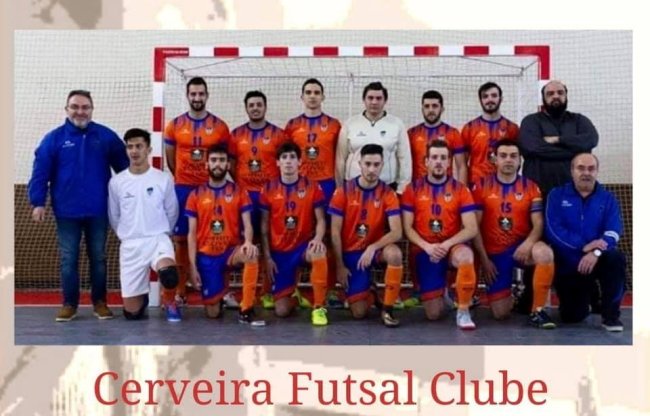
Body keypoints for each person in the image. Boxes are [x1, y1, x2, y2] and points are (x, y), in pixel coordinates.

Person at [28, 89, 129, 322]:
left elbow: (125, 171)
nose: (80, 111)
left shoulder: (105, 137)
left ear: (92, 110)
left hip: (98, 210)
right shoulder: (53, 139)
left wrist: (132, 199)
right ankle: (69, 305)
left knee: (99, 258)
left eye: (85, 107)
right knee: (68, 259)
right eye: (75, 107)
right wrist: (38, 202)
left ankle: (100, 303)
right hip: (66, 212)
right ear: (66, 109)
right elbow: (40, 171)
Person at [163, 77, 235, 308]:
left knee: (219, 236)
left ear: (207, 95)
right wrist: (184, 178)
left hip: (212, 190)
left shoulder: (220, 126)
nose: (197, 98)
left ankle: (223, 290)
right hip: (183, 189)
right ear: (187, 95)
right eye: (193, 94)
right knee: (181, 240)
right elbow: (171, 160)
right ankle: (180, 291)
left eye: (201, 93)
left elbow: (224, 159)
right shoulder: (174, 125)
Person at [471, 140, 556, 328]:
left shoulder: (531, 187)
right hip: (495, 254)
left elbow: (538, 223)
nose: (508, 160)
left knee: (544, 253)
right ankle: (514, 296)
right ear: (495, 159)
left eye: (513, 156)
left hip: (522, 248)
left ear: (519, 160)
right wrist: (484, 260)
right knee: (500, 314)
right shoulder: (481, 186)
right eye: (503, 156)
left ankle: (538, 311)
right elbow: (474, 227)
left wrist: (528, 243)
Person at [401, 140, 479, 330]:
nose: (438, 161)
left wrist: (446, 244)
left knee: (466, 255)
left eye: (443, 158)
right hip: (426, 249)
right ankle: (442, 293)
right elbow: (407, 228)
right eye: (434, 157)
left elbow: (471, 228)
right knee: (433, 314)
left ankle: (463, 311)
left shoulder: (461, 190)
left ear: (449, 162)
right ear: (426, 161)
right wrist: (427, 246)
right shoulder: (412, 189)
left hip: (451, 247)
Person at [545, 153, 626, 332]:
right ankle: (590, 297)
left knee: (616, 258)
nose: (586, 173)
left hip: (598, 258)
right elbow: (553, 230)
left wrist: (595, 252)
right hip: (569, 263)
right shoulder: (556, 195)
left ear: (597, 171)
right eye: (581, 168)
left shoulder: (608, 198)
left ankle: (611, 317)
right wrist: (583, 246)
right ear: (572, 171)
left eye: (591, 169)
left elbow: (613, 231)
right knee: (572, 317)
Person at [185, 144, 264, 324]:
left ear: (228, 165)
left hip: (230, 252)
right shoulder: (195, 195)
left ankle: (246, 308)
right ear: (207, 164)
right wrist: (192, 265)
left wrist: (248, 242)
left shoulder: (239, 191)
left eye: (222, 160)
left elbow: (248, 224)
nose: (217, 164)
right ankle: (220, 294)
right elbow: (191, 233)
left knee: (251, 254)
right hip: (207, 257)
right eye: (213, 160)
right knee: (213, 314)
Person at [108, 129, 180, 321]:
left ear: (148, 149)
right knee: (132, 314)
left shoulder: (162, 179)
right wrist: (128, 234)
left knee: (169, 275)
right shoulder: (117, 182)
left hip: (157, 240)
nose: (134, 151)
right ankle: (142, 298)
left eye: (139, 146)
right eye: (130, 147)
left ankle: (170, 302)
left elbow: (172, 211)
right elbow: (114, 216)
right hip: (131, 245)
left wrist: (164, 233)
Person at [329, 144, 404, 327]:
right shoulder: (343, 191)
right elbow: (335, 231)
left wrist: (373, 247)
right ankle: (370, 291)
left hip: (375, 251)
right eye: (367, 164)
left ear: (382, 165)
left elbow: (397, 231)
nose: (371, 169)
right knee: (359, 313)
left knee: (395, 254)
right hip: (351, 254)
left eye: (376, 165)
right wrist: (340, 265)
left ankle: (388, 308)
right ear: (359, 163)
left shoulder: (388, 193)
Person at [284, 78, 343, 309]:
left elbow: (341, 156)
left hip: (327, 186)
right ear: (302, 97)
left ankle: (330, 289)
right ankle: (293, 288)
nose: (312, 96)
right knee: (296, 234)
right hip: (299, 189)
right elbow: (286, 157)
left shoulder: (334, 125)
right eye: (308, 92)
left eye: (316, 92)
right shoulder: (292, 125)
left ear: (323, 96)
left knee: (328, 236)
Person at [229, 90, 288, 310]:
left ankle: (268, 290)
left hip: (271, 197)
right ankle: (247, 293)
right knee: (245, 242)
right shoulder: (236, 135)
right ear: (246, 108)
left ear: (265, 107)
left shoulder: (278, 135)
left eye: (259, 104)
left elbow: (285, 162)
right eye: (251, 105)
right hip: (245, 197)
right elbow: (232, 165)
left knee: (269, 241)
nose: (255, 108)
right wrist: (242, 184)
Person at [259, 142, 329, 325]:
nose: (288, 161)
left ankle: (319, 307)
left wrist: (318, 238)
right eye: (284, 157)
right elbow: (264, 227)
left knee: (319, 251)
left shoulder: (312, 186)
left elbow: (321, 220)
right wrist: (268, 257)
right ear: (277, 162)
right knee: (281, 311)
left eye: (292, 157)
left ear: (299, 162)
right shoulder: (268, 189)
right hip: (280, 253)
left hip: (302, 248)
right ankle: (294, 297)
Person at [519, 80, 599, 196]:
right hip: (538, 193)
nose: (556, 96)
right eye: (550, 94)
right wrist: (575, 150)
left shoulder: (579, 120)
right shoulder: (530, 121)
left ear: (566, 96)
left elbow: (591, 139)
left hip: (574, 192)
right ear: (543, 98)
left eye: (560, 93)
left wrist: (559, 139)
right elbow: (533, 148)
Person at [335, 81, 412, 195]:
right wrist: (340, 187)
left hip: (387, 187)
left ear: (385, 101)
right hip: (353, 187)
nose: (374, 102)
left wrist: (402, 189)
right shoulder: (350, 124)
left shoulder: (397, 124)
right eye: (370, 98)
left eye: (378, 98)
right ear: (364, 100)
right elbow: (340, 159)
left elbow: (404, 159)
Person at [461, 82, 519, 186]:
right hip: (477, 185)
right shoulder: (469, 128)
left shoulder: (512, 128)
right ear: (480, 100)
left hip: (504, 185)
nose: (490, 99)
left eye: (494, 95)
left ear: (501, 99)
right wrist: (463, 189)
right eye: (485, 96)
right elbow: (461, 164)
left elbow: (517, 159)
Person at [408, 90, 467, 183]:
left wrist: (462, 189)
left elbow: (461, 166)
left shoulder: (453, 133)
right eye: (427, 106)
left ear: (442, 109)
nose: (431, 110)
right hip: (418, 188)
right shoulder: (411, 134)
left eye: (435, 106)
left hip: (446, 188)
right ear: (422, 109)